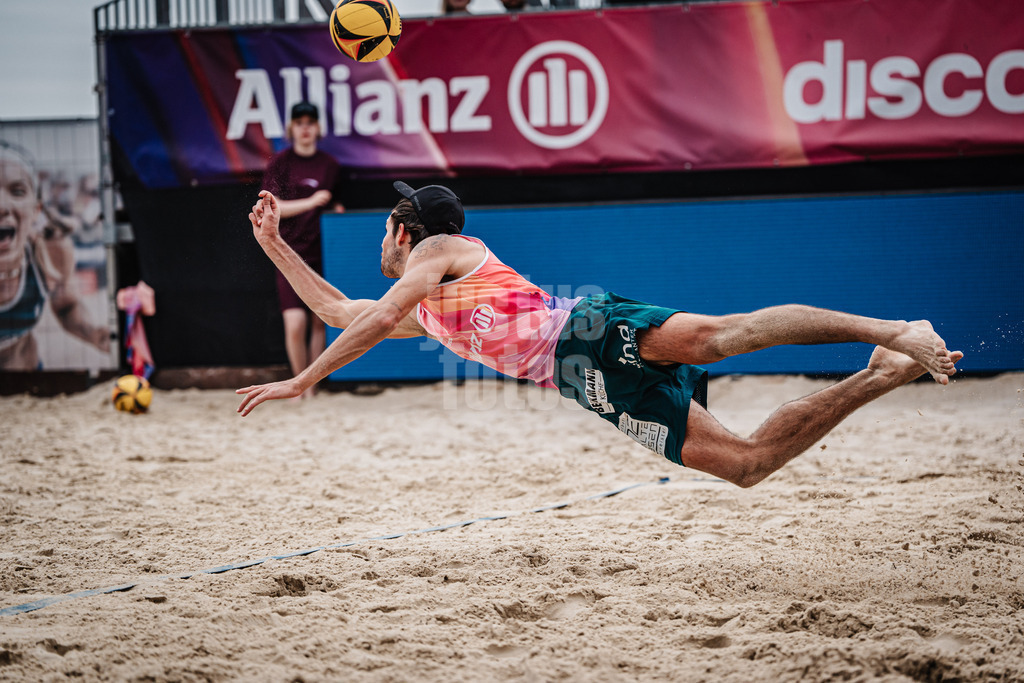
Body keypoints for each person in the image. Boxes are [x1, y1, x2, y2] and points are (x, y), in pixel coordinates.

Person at [237, 183, 962, 488]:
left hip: (585, 331)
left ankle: (899, 327)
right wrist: (272, 242)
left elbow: (373, 316)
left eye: (387, 227)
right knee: (747, 466)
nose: (383, 239)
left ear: (406, 230)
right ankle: (882, 371)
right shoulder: (424, 306)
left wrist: (307, 378)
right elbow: (340, 311)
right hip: (580, 382)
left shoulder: (436, 254)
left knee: (723, 337)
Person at [0, 142, 111, 370]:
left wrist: (94, 333)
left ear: (35, 210)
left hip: (28, 383)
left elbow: (66, 307)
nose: (2, 205)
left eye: (17, 191)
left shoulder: (51, 251)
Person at [262, 101, 344, 398]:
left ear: (318, 128)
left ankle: (311, 386)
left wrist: (334, 210)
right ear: (291, 128)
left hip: (322, 253)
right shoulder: (280, 163)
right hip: (288, 253)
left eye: (311, 121)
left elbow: (336, 207)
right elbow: (273, 205)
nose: (306, 127)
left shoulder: (330, 166)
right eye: (300, 122)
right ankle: (297, 389)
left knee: (321, 321)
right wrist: (312, 201)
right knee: (295, 323)